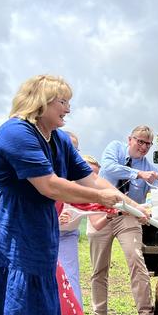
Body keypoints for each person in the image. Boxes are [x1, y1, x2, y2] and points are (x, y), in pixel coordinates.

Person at [0, 75, 148, 315]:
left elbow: (89, 179)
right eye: (63, 101)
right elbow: (48, 185)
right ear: (41, 102)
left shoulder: (58, 140)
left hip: (32, 224)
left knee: (32, 286)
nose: (68, 109)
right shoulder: (15, 132)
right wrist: (102, 198)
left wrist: (133, 206)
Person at [87, 125, 158, 315]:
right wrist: (138, 174)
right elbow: (109, 168)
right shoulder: (115, 148)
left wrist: (149, 209)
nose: (144, 147)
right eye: (140, 141)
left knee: (136, 260)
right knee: (98, 268)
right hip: (100, 212)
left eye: (148, 143)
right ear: (130, 139)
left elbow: (157, 196)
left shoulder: (152, 169)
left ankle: (146, 314)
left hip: (127, 217)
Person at [57, 130, 85, 305]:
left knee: (69, 277)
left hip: (66, 235)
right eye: (69, 148)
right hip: (42, 235)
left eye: (76, 149)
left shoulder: (78, 176)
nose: (73, 153)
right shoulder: (44, 170)